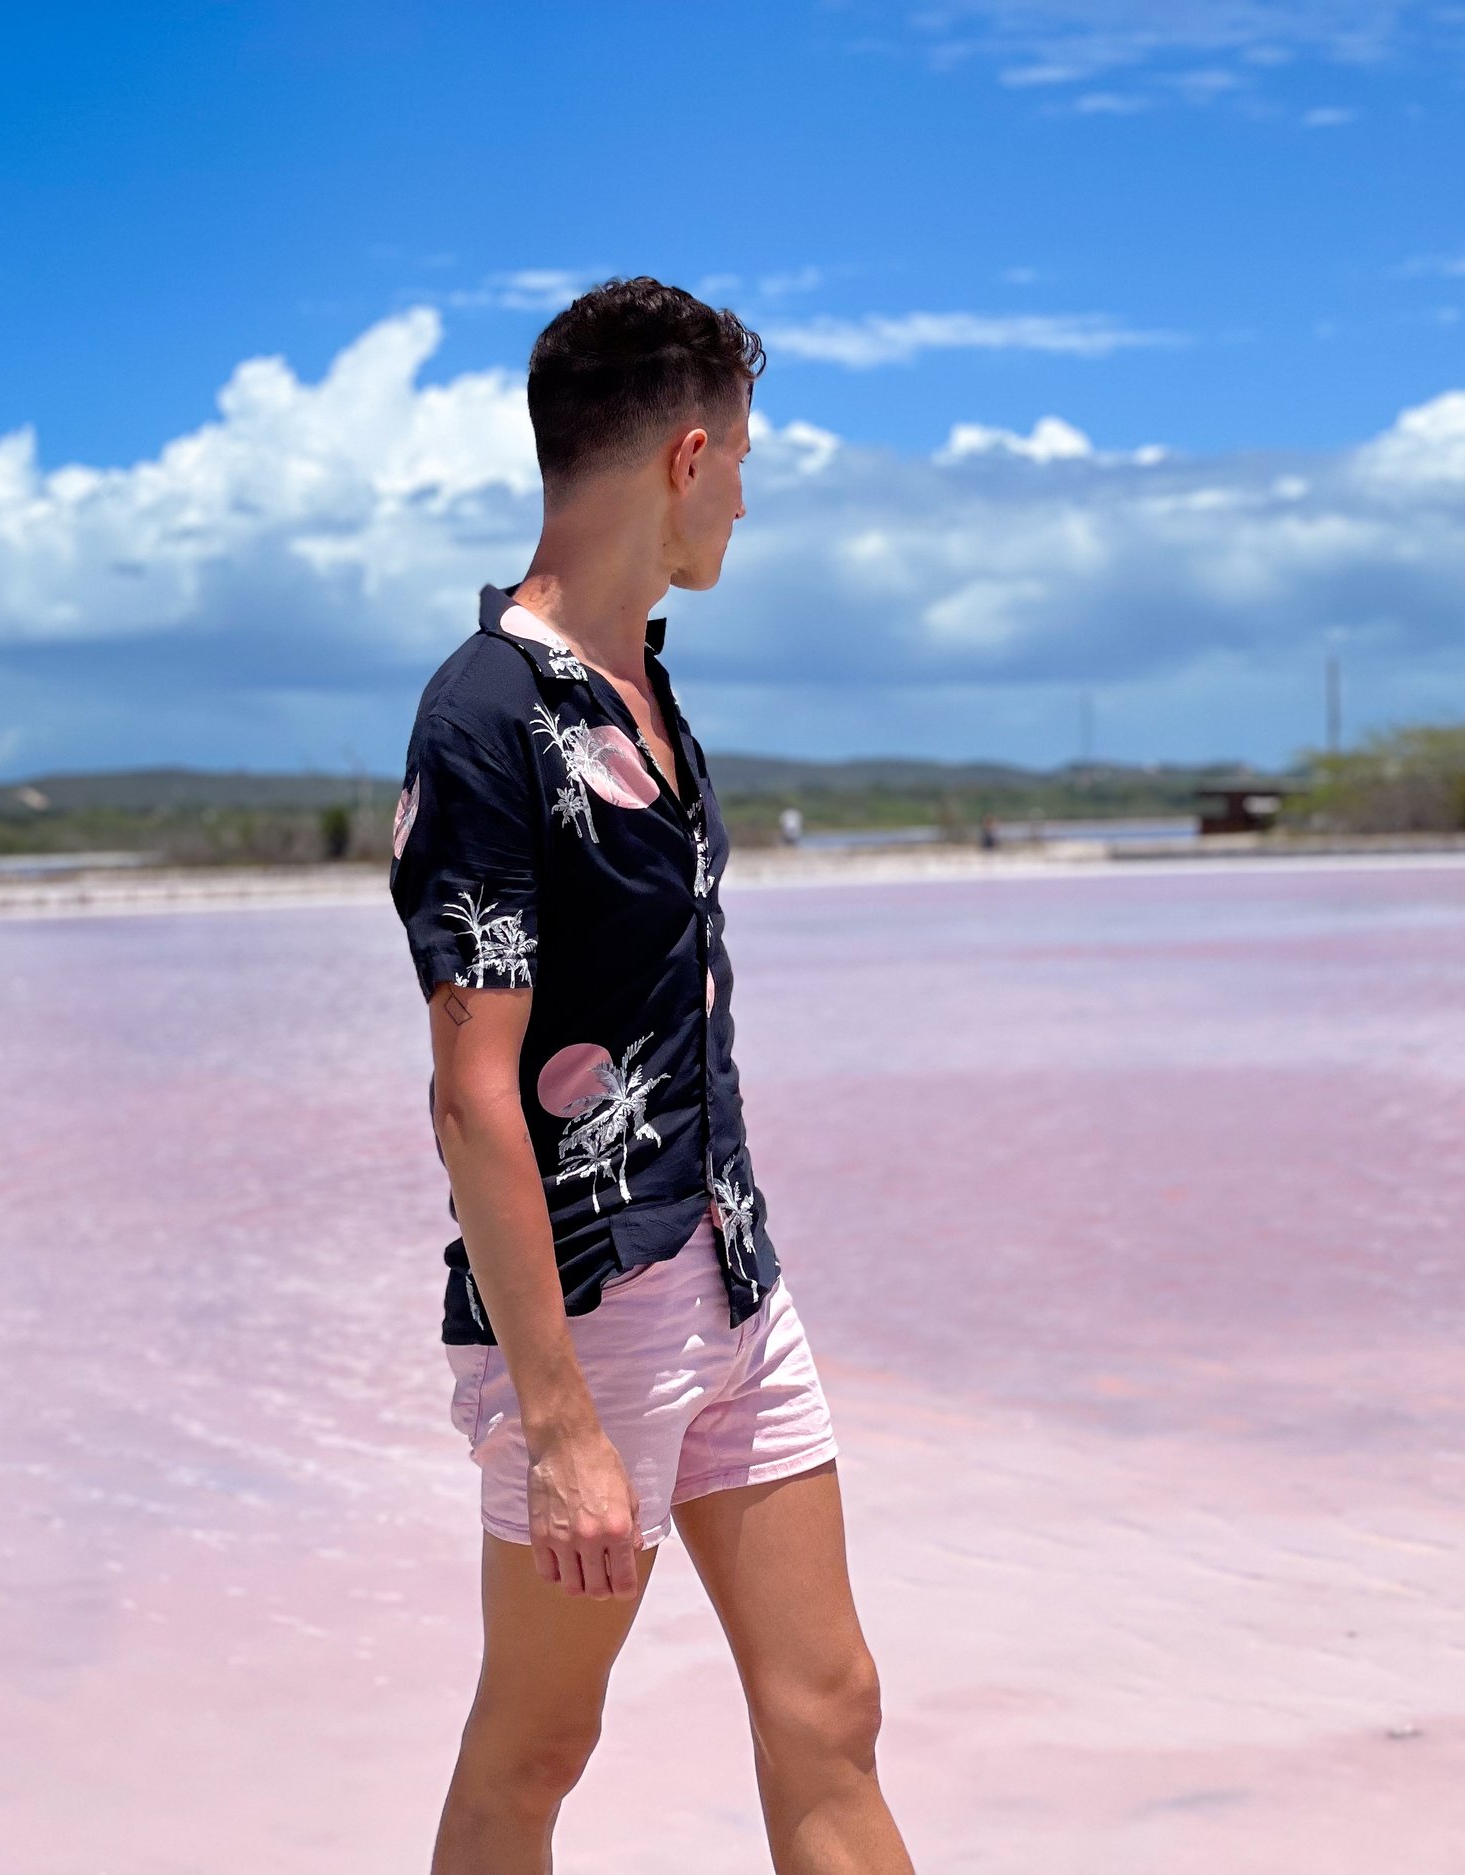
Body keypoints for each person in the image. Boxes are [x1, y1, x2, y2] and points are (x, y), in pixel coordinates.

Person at [388, 277, 912, 1875]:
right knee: (537, 1750)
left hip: (736, 1278)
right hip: (589, 1317)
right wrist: (559, 1428)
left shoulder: (646, 689)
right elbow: (475, 1094)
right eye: (742, 458)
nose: (747, 495)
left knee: (831, 1708)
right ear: (687, 458)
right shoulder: (485, 718)